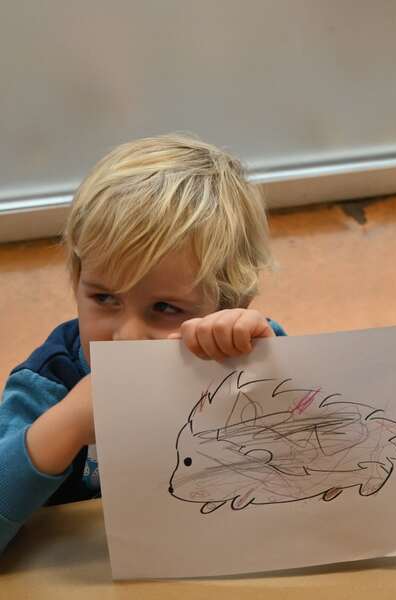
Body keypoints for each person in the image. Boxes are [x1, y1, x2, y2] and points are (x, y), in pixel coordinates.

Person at [0, 133, 284, 552]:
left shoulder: (238, 350)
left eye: (164, 307)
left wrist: (261, 360)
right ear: (77, 283)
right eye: (104, 299)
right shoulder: (47, 384)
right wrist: (67, 425)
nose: (126, 336)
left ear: (229, 303)